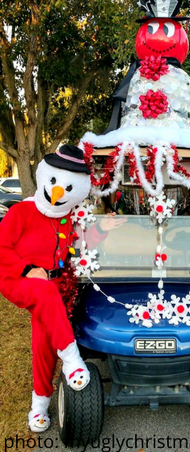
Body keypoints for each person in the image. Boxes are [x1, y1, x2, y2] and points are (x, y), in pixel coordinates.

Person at [0, 144, 124, 433]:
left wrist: (102, 229)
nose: (57, 193)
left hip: (56, 286)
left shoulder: (67, 219)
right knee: (45, 294)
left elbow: (77, 248)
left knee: (44, 341)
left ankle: (39, 407)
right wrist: (27, 269)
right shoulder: (21, 211)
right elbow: (1, 247)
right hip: (21, 281)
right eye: (54, 183)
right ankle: (72, 361)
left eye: (67, 187)